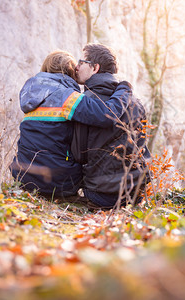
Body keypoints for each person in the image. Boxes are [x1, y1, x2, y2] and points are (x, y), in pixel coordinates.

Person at [10, 50, 132, 200]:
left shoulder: (30, 91)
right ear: (70, 71)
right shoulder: (66, 96)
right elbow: (105, 115)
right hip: (55, 182)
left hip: (22, 175)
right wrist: (124, 90)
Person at [72, 43, 151, 209]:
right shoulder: (135, 102)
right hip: (135, 194)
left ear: (95, 67)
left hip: (101, 195)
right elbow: (142, 147)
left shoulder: (87, 101)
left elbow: (78, 154)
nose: (76, 66)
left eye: (81, 62)